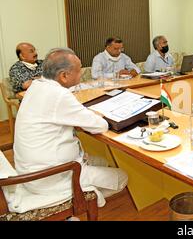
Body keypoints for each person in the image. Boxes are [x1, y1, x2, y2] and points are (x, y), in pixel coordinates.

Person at [13, 48, 128, 212]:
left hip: (31, 169)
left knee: (103, 162)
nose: (81, 74)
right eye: (79, 70)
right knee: (122, 178)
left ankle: (85, 190)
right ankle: (81, 202)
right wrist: (96, 115)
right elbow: (100, 126)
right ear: (64, 76)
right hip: (50, 177)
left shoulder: (37, 85)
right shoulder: (58, 95)